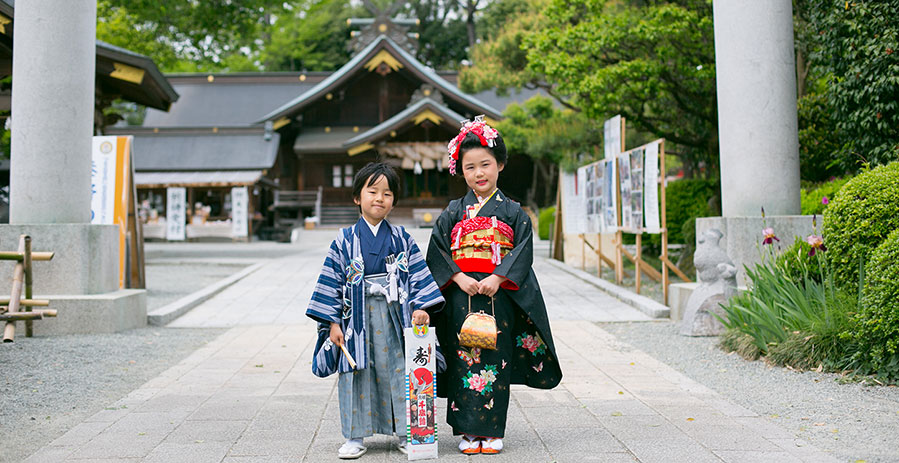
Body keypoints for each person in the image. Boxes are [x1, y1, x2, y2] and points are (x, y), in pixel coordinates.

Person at [426, 116, 563, 455]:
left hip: (496, 293)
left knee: (494, 358)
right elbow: (437, 250)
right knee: (463, 359)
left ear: (500, 164)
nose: (479, 173)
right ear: (462, 171)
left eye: (485, 164)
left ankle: (492, 430)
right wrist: (457, 277)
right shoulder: (454, 211)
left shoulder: (513, 212)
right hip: (460, 296)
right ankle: (468, 432)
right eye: (470, 167)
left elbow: (523, 249)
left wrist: (497, 277)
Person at [306, 162, 445, 459]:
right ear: (357, 197)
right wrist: (332, 323)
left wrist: (421, 307)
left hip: (396, 316)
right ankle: (355, 436)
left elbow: (419, 275)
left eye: (387, 193)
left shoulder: (402, 238)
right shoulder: (344, 240)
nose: (380, 198)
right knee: (356, 372)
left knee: (400, 370)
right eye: (373, 191)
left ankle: (407, 433)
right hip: (355, 319)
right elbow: (330, 282)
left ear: (393, 200)